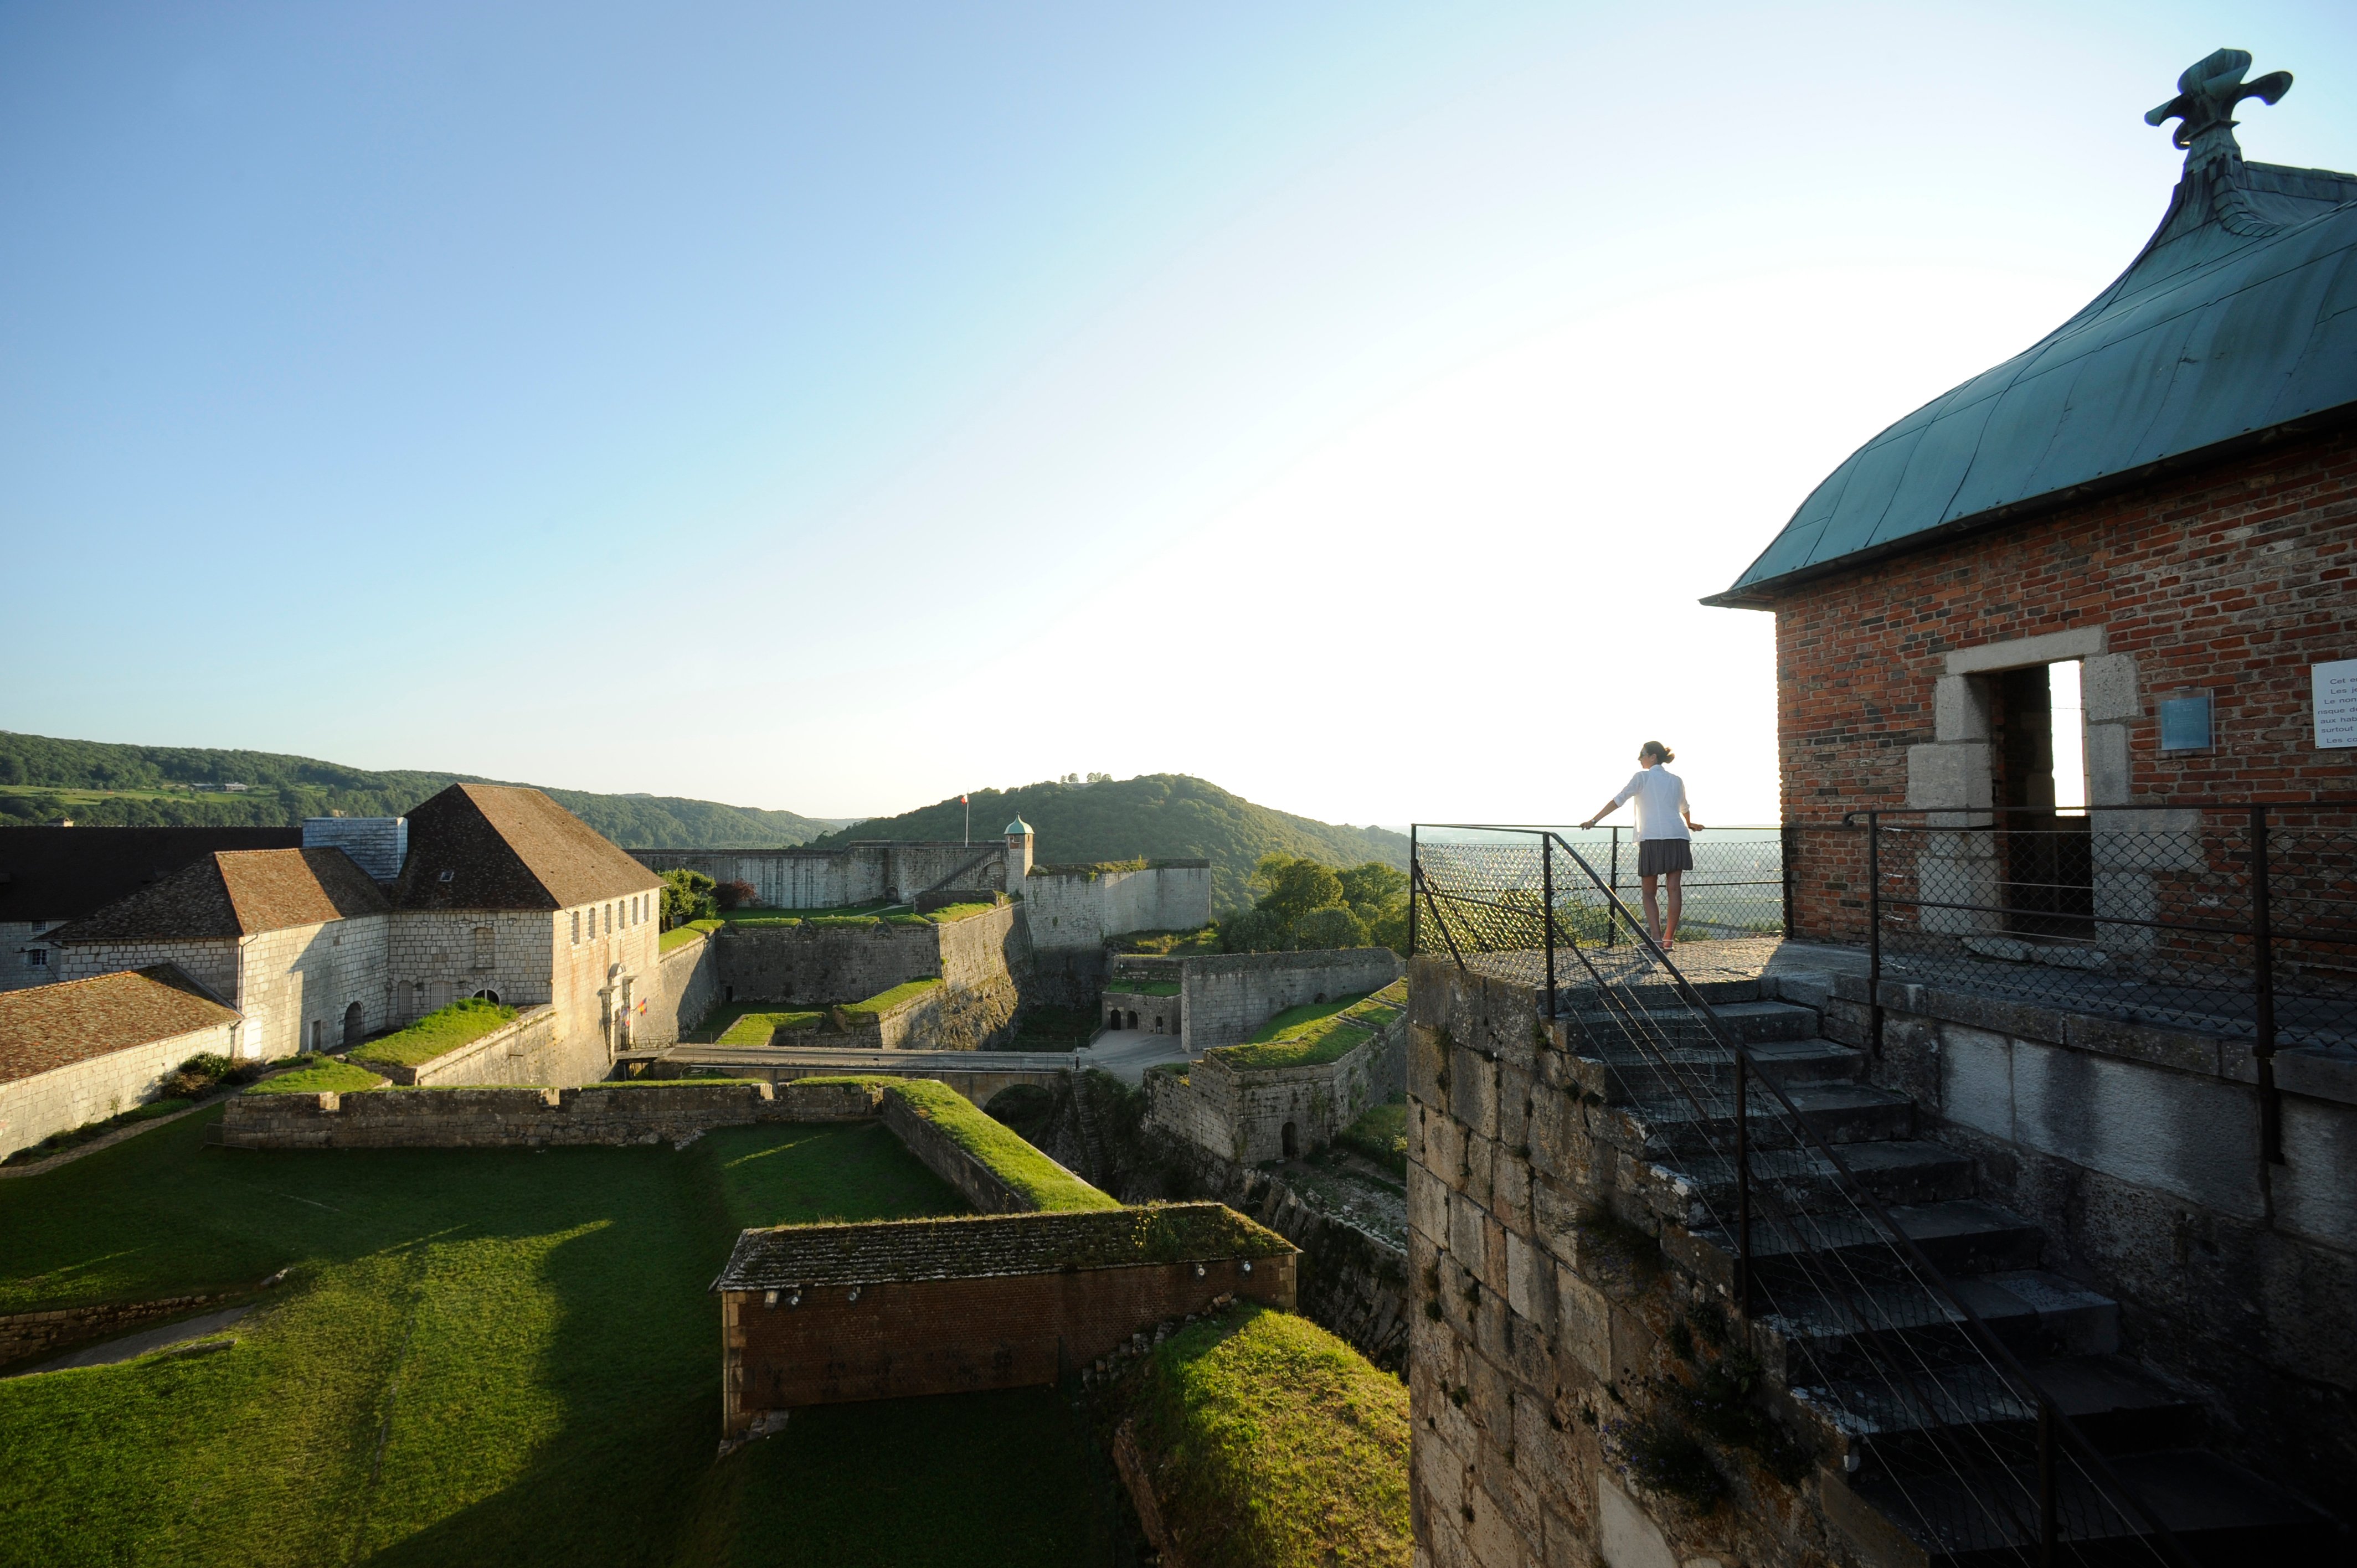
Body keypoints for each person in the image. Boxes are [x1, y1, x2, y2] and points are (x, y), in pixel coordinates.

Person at [1579, 741, 1703, 952]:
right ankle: (1669, 940)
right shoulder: (1676, 780)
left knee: (1648, 892)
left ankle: (1655, 939)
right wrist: (1690, 823)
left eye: (1642, 755)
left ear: (1653, 757)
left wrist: (1594, 820)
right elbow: (1684, 807)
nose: (1640, 758)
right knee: (1674, 889)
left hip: (1653, 837)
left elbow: (1619, 800)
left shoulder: (1642, 777)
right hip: (1678, 836)